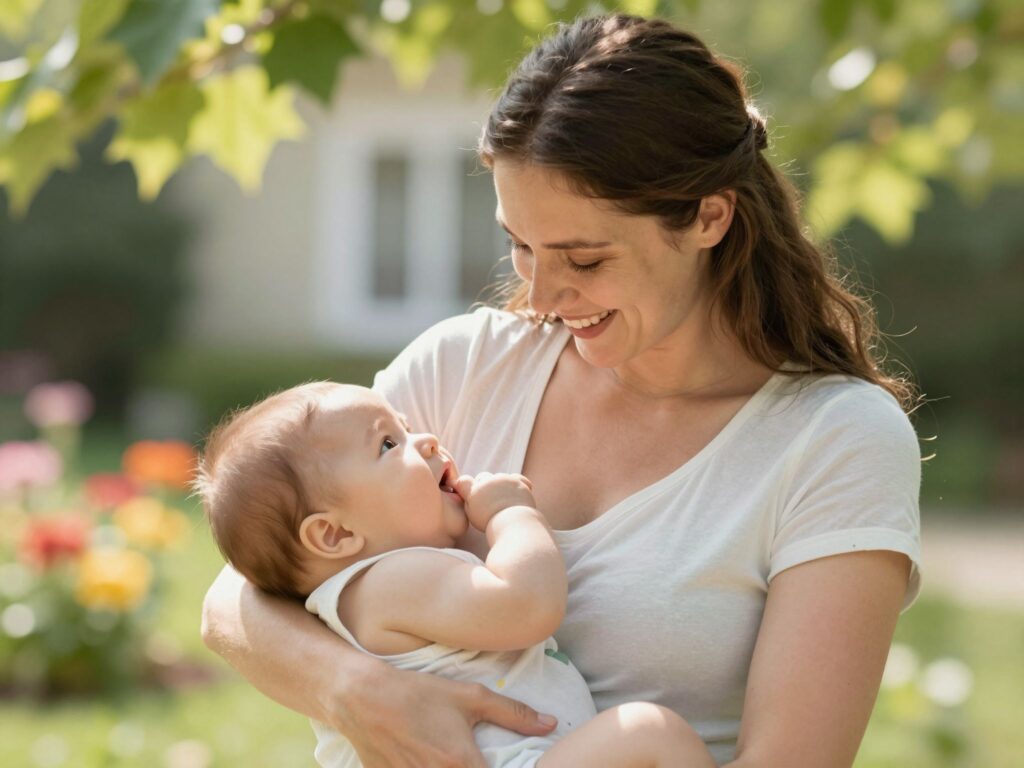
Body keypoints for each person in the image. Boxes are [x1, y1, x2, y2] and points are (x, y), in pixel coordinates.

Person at [201, 13, 922, 767]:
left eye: (583, 259)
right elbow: (239, 595)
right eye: (521, 246)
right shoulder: (466, 365)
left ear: (710, 215)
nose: (543, 294)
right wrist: (356, 689)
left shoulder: (834, 439)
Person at [195, 381, 715, 768]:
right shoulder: (386, 584)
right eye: (387, 445)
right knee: (651, 735)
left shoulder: (370, 594)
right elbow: (525, 607)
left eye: (403, 427)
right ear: (334, 536)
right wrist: (514, 515)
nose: (424, 440)